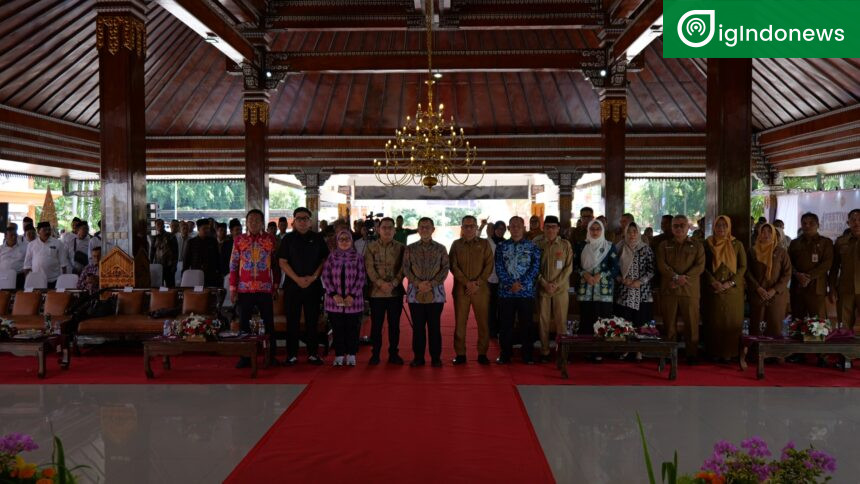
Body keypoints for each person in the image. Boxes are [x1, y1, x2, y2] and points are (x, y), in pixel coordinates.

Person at [278, 207, 329, 365]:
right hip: (292, 286)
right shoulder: (288, 239)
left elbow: (324, 260)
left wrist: (313, 277)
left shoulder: (318, 238)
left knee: (312, 321)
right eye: (299, 219)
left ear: (310, 221)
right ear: (294, 222)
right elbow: (282, 262)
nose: (302, 221)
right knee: (292, 321)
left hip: (313, 285)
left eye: (305, 218)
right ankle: (291, 355)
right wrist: (297, 279)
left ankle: (313, 354)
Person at [230, 209, 279, 368]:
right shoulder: (239, 240)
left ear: (262, 223)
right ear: (246, 222)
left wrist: (276, 286)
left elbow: (276, 265)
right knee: (244, 324)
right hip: (244, 289)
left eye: (257, 220)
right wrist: (233, 288)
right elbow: (233, 265)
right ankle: (245, 357)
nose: (253, 223)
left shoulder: (270, 239)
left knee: (269, 323)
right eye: (250, 220)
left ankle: (271, 356)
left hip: (265, 289)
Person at [656, 215, 705, 363]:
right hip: (669, 289)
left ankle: (691, 354)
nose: (679, 228)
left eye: (682, 225)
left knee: (691, 324)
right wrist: (676, 277)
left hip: (689, 290)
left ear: (688, 227)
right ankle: (670, 353)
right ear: (671, 228)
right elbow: (661, 265)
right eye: (675, 225)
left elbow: (700, 266)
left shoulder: (697, 245)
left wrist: (684, 278)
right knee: (669, 324)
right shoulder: (664, 245)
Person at [403, 217, 449, 367]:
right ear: (418, 229)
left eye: (427, 227)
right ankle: (418, 357)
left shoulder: (441, 248)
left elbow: (445, 268)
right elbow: (406, 268)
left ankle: (436, 358)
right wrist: (418, 283)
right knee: (418, 327)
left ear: (433, 229)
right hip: (415, 294)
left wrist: (432, 284)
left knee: (434, 327)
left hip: (436, 294)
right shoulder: (410, 248)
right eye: (421, 227)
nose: (424, 229)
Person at [448, 215, 494, 365]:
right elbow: (453, 266)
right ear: (462, 228)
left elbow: (489, 265)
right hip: (461, 290)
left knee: (483, 322)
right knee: (460, 323)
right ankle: (460, 353)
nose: (469, 229)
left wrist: (477, 283)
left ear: (476, 227)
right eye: (466, 226)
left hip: (481, 290)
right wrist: (467, 283)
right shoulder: (456, 245)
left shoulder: (484, 243)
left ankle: (482, 353)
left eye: (472, 226)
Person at [495, 216, 541, 364]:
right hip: (506, 292)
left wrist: (520, 283)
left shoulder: (532, 247)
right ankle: (505, 354)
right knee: (505, 325)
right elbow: (499, 267)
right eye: (512, 226)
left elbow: (535, 268)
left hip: (525, 292)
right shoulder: (501, 246)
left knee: (526, 324)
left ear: (524, 228)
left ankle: (527, 355)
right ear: (508, 228)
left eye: (518, 226)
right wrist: (510, 283)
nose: (515, 228)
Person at [703, 215, 747, 361]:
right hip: (713, 290)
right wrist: (713, 281)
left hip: (733, 291)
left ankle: (731, 353)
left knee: (731, 322)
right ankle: (713, 353)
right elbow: (703, 266)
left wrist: (731, 282)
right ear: (714, 227)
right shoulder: (707, 244)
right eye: (718, 225)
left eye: (724, 225)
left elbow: (743, 267)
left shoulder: (737, 244)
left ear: (729, 227)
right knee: (714, 322)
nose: (721, 228)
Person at [364, 217, 406, 365]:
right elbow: (369, 268)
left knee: (394, 325)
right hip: (376, 293)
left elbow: (404, 268)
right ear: (378, 229)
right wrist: (380, 283)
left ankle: (393, 353)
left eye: (390, 227)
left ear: (394, 230)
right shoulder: (371, 247)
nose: (387, 230)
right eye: (384, 227)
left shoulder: (401, 248)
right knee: (376, 325)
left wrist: (394, 283)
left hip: (395, 293)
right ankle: (375, 354)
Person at [322, 229, 366, 366]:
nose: (344, 242)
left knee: (352, 329)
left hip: (354, 301)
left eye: (347, 239)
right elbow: (325, 276)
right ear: (337, 241)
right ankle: (339, 355)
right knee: (338, 329)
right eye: (341, 239)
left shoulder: (358, 257)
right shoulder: (332, 257)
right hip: (334, 301)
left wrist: (352, 295)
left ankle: (352, 354)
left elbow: (361, 277)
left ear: (351, 241)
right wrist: (333, 294)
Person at [535, 216, 572, 362]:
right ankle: (544, 351)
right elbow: (534, 267)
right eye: (547, 227)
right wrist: (544, 283)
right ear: (543, 228)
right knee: (543, 321)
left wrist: (555, 284)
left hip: (560, 289)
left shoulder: (565, 245)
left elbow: (568, 268)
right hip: (543, 289)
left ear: (558, 229)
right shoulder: (537, 244)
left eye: (553, 227)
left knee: (561, 321)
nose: (550, 229)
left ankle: (562, 352)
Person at [573, 219, 619, 332]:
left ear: (602, 230)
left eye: (598, 229)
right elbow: (574, 265)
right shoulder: (581, 246)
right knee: (586, 322)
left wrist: (601, 275)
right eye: (592, 229)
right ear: (588, 230)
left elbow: (615, 268)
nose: (595, 232)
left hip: (603, 291)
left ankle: (602, 344)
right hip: (585, 290)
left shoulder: (609, 246)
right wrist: (584, 273)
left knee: (603, 324)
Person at [747, 223, 791, 337]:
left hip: (776, 296)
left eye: (769, 231)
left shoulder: (781, 252)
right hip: (758, 295)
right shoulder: (752, 252)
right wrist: (758, 288)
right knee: (757, 328)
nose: (766, 234)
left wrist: (774, 290)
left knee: (775, 327)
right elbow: (747, 272)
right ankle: (756, 349)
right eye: (763, 231)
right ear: (759, 234)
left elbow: (787, 273)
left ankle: (775, 349)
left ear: (774, 234)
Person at [788, 212, 833, 319]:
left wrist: (809, 277)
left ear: (818, 225)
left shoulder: (826, 242)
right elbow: (788, 263)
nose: (807, 226)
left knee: (818, 322)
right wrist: (797, 274)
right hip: (797, 286)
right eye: (804, 223)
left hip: (817, 287)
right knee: (797, 321)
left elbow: (827, 263)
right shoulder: (795, 243)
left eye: (811, 223)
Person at [615, 222, 654, 328]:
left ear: (639, 233)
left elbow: (651, 270)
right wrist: (621, 279)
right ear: (625, 233)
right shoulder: (619, 248)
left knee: (641, 326)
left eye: (634, 231)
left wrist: (640, 281)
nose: (632, 234)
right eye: (629, 232)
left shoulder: (646, 249)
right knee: (623, 327)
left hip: (642, 292)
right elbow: (614, 268)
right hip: (624, 292)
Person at [829, 209, 860, 331]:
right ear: (848, 223)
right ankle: (845, 344)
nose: (857, 223)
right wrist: (832, 287)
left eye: (859, 220)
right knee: (844, 326)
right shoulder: (841, 242)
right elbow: (834, 267)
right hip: (845, 289)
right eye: (853, 220)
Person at [22, 222, 69, 288]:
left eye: (49, 230)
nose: (47, 232)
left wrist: (63, 280)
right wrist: (28, 281)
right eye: (44, 230)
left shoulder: (58, 243)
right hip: (37, 280)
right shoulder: (31, 245)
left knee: (52, 295)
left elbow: (63, 264)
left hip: (54, 280)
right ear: (38, 231)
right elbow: (27, 265)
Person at [182, 219, 221, 287]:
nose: (207, 230)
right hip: (196, 272)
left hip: (211, 273)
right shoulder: (191, 242)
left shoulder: (213, 241)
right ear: (198, 229)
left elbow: (217, 257)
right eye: (204, 228)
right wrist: (183, 273)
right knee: (197, 291)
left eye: (208, 228)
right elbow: (187, 260)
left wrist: (218, 272)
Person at [150, 219, 178, 287]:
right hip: (158, 264)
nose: (160, 226)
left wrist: (174, 265)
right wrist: (151, 264)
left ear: (164, 225)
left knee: (170, 285)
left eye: (161, 224)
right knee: (158, 285)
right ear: (155, 226)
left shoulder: (171, 236)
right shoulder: (155, 238)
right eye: (158, 224)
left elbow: (176, 252)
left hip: (169, 265)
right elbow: (152, 252)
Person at [0, 224, 27, 289]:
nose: (14, 237)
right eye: (11, 235)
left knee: (19, 294)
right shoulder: (1, 249)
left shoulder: (24, 247)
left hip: (19, 277)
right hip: (4, 277)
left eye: (15, 235)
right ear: (5, 236)